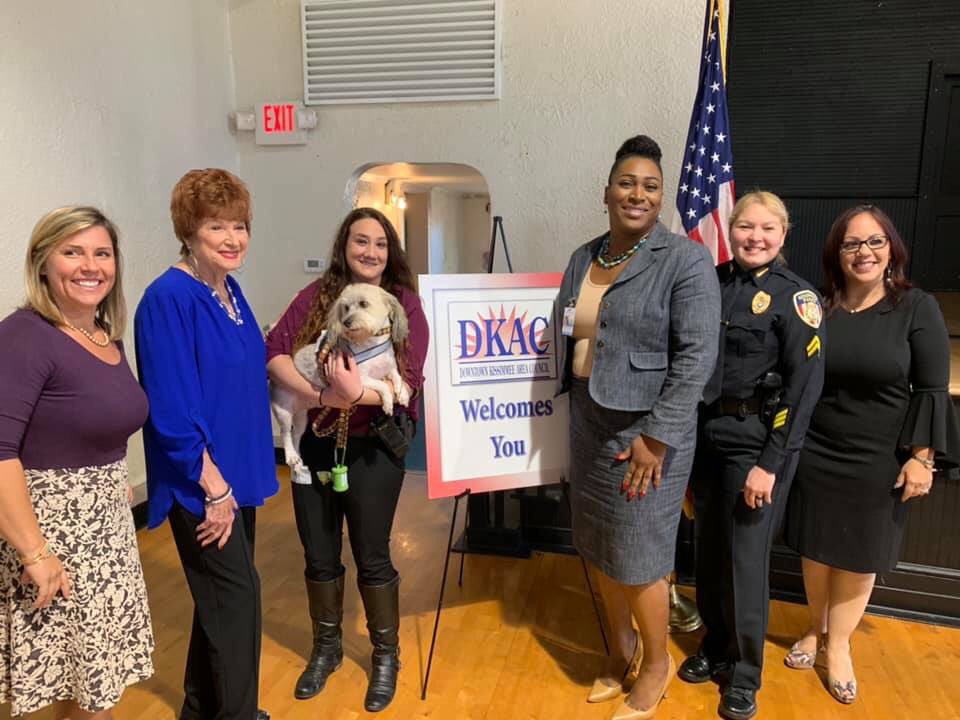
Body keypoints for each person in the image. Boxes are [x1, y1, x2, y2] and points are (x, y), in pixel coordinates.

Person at [556, 135, 720, 720]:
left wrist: (657, 437)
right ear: (607, 192)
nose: (637, 193)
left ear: (661, 199)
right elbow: (575, 331)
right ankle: (619, 647)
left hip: (646, 436)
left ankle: (656, 664)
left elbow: (697, 356)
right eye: (627, 182)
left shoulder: (684, 259)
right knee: (600, 548)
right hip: (589, 422)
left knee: (641, 558)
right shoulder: (585, 256)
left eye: (651, 186)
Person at [783, 204, 960, 704]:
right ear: (836, 254)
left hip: (879, 455)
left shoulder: (914, 306)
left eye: (874, 242)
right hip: (818, 448)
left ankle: (837, 646)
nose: (864, 252)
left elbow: (930, 388)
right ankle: (813, 630)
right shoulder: (819, 305)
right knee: (816, 549)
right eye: (851, 244)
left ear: (891, 250)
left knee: (860, 555)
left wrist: (921, 457)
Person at [266, 207, 429, 713]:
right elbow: (273, 353)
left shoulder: (405, 304)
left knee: (372, 552)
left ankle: (386, 655)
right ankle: (327, 647)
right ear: (345, 246)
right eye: (361, 241)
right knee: (317, 551)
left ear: (390, 252)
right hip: (314, 443)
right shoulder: (315, 298)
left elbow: (410, 379)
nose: (370, 252)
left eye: (380, 244)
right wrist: (322, 399)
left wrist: (352, 395)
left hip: (375, 447)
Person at [0, 206, 154, 718]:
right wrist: (35, 553)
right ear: (43, 262)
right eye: (73, 252)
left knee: (93, 687)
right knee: (54, 694)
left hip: (106, 535)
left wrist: (111, 480)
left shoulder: (103, 336)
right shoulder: (25, 335)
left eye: (102, 253)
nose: (91, 266)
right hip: (52, 539)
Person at [135, 169, 277, 720]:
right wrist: (213, 488)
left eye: (240, 225)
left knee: (219, 602)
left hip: (236, 475)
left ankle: (201, 709)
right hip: (203, 484)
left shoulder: (227, 288)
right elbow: (170, 408)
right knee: (239, 601)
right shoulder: (168, 298)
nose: (233, 237)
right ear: (188, 230)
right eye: (217, 225)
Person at [677, 191, 825, 720]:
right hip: (706, 434)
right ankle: (715, 646)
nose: (755, 238)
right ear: (731, 228)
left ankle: (744, 672)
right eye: (746, 227)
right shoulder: (709, 283)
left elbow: (803, 389)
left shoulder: (795, 296)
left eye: (767, 229)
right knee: (710, 551)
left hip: (757, 440)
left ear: (783, 235)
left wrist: (770, 463)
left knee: (744, 558)